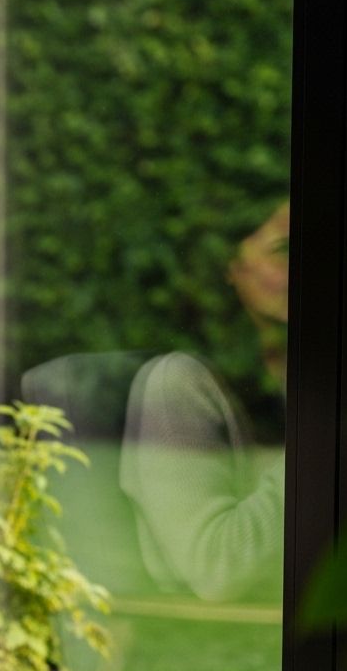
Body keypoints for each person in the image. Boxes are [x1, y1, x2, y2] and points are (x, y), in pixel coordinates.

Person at [119, 204, 289, 602]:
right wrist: (329, 434)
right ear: (232, 270)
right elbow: (215, 570)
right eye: (284, 251)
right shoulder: (178, 386)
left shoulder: (296, 379)